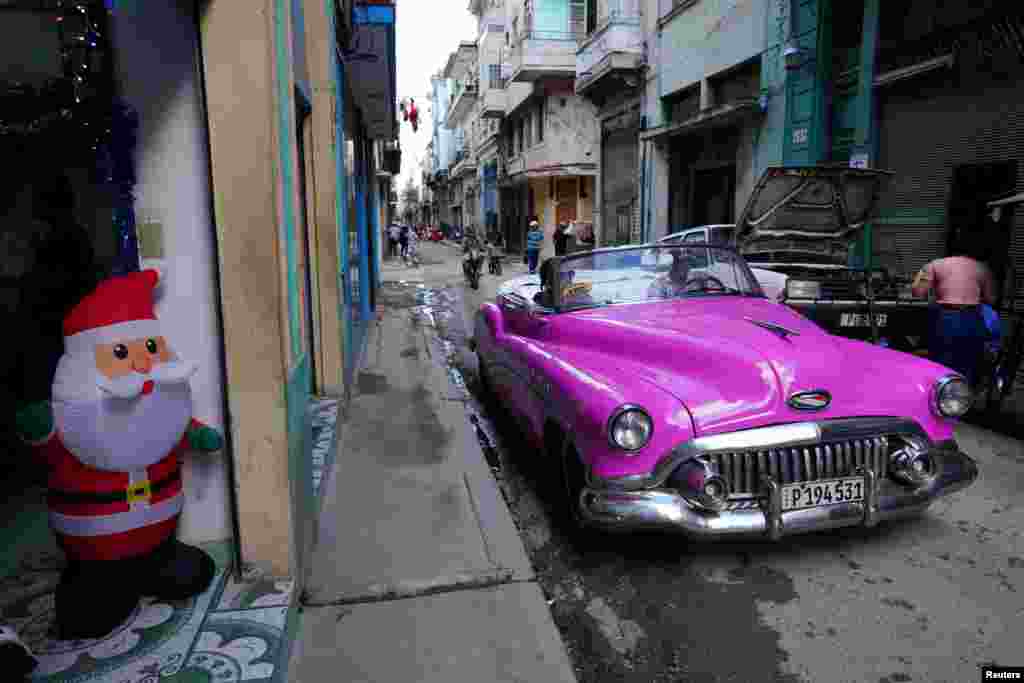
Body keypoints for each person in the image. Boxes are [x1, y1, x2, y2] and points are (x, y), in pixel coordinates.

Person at [912, 247, 996, 386]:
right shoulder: (982, 268)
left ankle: (938, 398)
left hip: (944, 319)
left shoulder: (934, 265)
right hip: (972, 319)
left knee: (939, 364)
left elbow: (918, 292)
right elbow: (991, 299)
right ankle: (963, 400)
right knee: (968, 364)